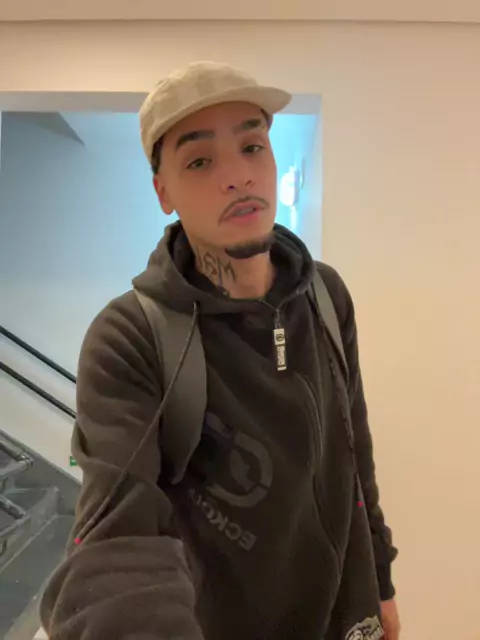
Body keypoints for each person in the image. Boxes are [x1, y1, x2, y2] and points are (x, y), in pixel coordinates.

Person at [40, 61, 400, 640]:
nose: (237, 176)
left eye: (252, 146)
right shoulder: (129, 337)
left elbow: (355, 452)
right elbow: (119, 543)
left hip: (348, 616)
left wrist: (380, 581)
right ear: (163, 192)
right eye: (200, 161)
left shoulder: (326, 296)